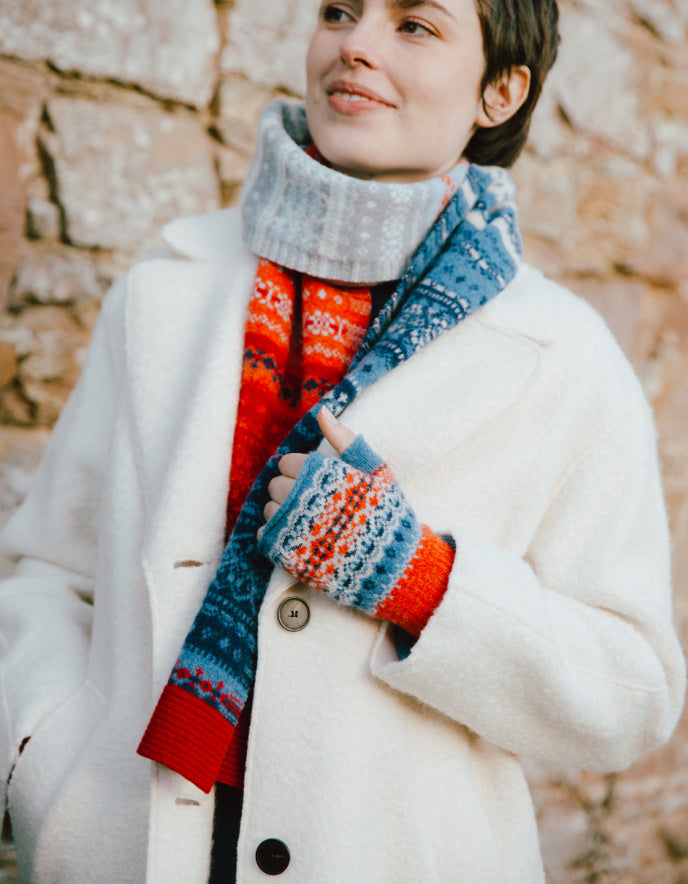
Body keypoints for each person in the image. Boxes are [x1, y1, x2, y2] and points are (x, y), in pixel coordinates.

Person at [0, 0, 685, 881]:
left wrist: (422, 581)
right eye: (339, 12)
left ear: (501, 90)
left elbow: (631, 694)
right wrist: (42, 764)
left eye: (415, 26)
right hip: (133, 846)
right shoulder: (164, 289)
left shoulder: (564, 357)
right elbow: (51, 574)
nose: (355, 46)